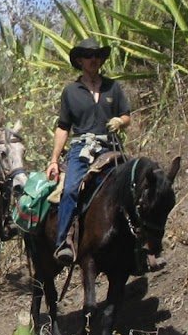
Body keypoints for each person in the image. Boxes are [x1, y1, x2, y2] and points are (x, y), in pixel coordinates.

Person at [45, 38, 131, 265]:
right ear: (80, 60)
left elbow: (126, 115)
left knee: (132, 186)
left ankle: (139, 247)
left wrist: (120, 122)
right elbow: (63, 127)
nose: (93, 60)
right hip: (82, 147)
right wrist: (54, 160)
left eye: (97, 56)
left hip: (110, 146)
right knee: (71, 189)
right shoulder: (71, 91)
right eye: (88, 56)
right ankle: (63, 241)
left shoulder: (113, 87)